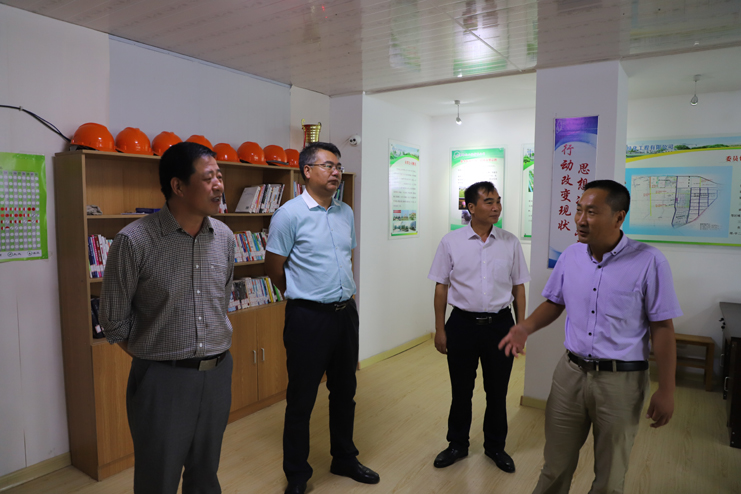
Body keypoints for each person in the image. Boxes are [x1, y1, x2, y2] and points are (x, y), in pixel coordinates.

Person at [499, 179, 681, 494]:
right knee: (555, 466)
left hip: (621, 382)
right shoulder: (571, 256)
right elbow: (555, 302)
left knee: (610, 476)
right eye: (579, 210)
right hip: (570, 373)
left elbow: (662, 328)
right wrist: (524, 327)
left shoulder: (649, 261)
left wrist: (666, 390)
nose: (581, 220)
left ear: (619, 217)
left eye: (592, 212)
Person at [99, 141, 236, 493]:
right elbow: (113, 320)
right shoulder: (134, 241)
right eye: (208, 178)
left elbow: (222, 299)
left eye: (220, 176)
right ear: (178, 186)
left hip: (218, 374)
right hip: (163, 380)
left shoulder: (224, 236)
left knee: (205, 474)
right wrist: (157, 357)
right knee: (157, 479)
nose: (219, 185)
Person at [265, 142, 380, 494]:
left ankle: (344, 458)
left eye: (338, 166)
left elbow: (347, 258)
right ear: (307, 171)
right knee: (301, 399)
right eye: (328, 165)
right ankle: (297, 475)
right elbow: (274, 268)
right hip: (308, 318)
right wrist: (303, 293)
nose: (336, 172)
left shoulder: (346, 213)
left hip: (345, 315)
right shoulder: (288, 214)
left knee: (345, 391)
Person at [428, 181, 530, 473]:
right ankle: (457, 444)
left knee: (497, 391)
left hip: (500, 325)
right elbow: (441, 287)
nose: (496, 207)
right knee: (461, 390)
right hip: (462, 324)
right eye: (489, 202)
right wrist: (440, 329)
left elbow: (518, 287)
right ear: (471, 207)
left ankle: (495, 446)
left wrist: (521, 329)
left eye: (498, 201)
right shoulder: (451, 242)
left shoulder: (510, 242)